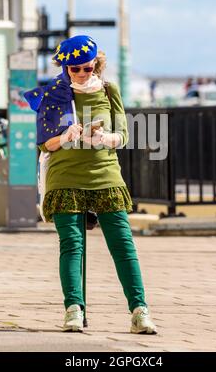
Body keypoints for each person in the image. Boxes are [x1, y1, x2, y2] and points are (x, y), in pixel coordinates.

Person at [37, 35, 158, 335]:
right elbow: (44, 144)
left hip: (105, 175)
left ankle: (139, 311)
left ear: (96, 65)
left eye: (86, 68)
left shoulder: (108, 90)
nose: (80, 73)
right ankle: (73, 310)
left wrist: (105, 139)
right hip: (65, 178)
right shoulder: (53, 95)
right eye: (73, 69)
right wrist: (65, 138)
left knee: (123, 244)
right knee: (72, 245)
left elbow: (124, 135)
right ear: (65, 68)